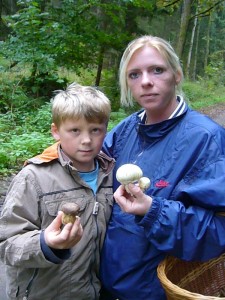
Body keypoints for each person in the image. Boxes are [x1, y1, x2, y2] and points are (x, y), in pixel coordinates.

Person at [99, 35, 225, 300]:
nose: (145, 81)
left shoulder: (206, 138)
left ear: (177, 75)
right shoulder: (123, 131)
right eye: (134, 74)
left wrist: (152, 210)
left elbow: (217, 233)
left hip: (155, 292)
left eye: (157, 70)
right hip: (105, 285)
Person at [0, 82, 114, 300]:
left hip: (94, 293)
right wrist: (45, 243)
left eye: (95, 130)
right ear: (56, 131)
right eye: (74, 131)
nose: (87, 140)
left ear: (105, 130)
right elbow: (6, 243)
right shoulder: (33, 178)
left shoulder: (110, 175)